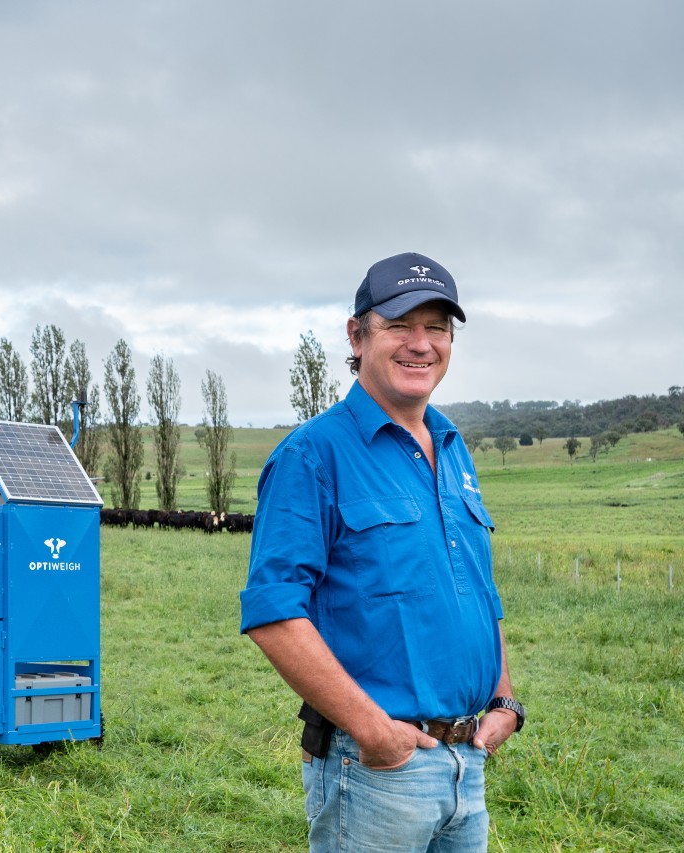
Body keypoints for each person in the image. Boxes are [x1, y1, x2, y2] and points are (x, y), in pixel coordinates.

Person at [239, 252, 524, 852]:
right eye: (400, 325)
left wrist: (503, 700)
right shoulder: (313, 456)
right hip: (376, 770)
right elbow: (273, 613)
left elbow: (476, 588)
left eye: (438, 328)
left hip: (466, 764)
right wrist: (373, 732)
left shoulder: (452, 448)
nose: (421, 344)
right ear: (357, 334)